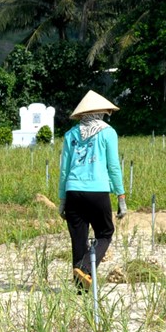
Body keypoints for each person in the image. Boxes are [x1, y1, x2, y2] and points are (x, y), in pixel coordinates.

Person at [58, 90, 126, 290]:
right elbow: (113, 166)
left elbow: (64, 169)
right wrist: (120, 197)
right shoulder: (107, 132)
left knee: (78, 240)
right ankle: (84, 267)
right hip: (97, 191)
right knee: (105, 233)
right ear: (101, 112)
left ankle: (80, 290)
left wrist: (62, 200)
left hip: (73, 192)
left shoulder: (71, 134)